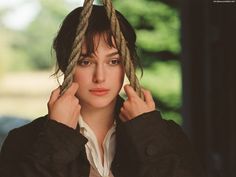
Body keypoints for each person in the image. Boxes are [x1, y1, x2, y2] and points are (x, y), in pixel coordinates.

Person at [0, 5, 205, 177]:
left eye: (113, 61)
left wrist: (147, 136)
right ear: (66, 64)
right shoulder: (24, 141)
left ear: (128, 64)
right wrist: (56, 138)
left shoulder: (166, 137)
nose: (100, 76)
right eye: (86, 61)